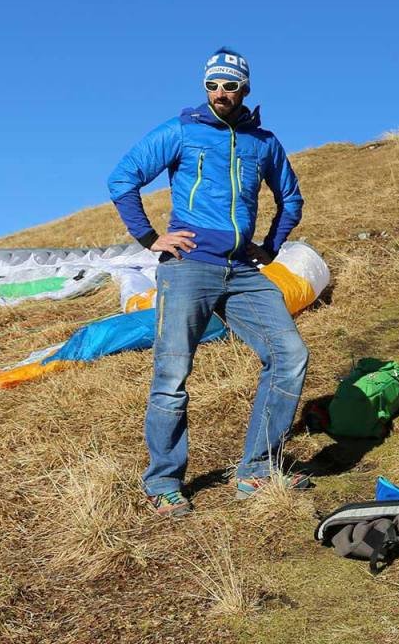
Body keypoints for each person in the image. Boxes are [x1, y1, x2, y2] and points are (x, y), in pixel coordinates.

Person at [107, 47, 309, 517]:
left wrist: (270, 246)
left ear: (245, 89)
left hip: (242, 270)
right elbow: (122, 179)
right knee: (172, 376)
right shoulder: (181, 131)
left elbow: (291, 199)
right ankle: (163, 483)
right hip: (188, 267)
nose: (220, 93)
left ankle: (257, 470)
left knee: (289, 356)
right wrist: (151, 238)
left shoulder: (263, 143)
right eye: (212, 85)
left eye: (230, 85)